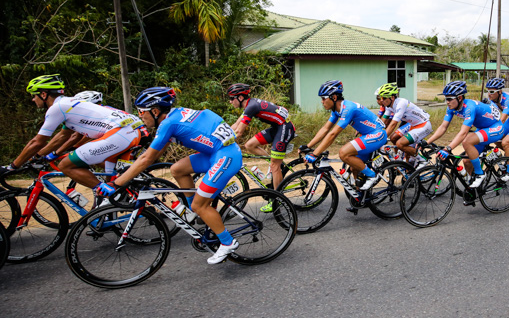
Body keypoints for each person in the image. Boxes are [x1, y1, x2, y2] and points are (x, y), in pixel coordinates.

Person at [97, 87, 244, 265]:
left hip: (226, 155)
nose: (140, 116)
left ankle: (227, 242)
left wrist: (116, 183)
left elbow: (147, 158)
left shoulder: (168, 124)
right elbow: (153, 154)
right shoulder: (172, 117)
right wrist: (131, 170)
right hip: (215, 152)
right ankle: (193, 210)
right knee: (177, 169)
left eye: (141, 112)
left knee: (201, 205)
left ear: (155, 111)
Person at [0, 75, 144, 196]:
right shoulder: (68, 103)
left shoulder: (57, 108)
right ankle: (115, 210)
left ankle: (108, 193)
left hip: (121, 133)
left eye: (34, 96)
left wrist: (12, 166)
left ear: (43, 94)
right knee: (112, 177)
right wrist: (38, 157)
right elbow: (62, 137)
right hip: (129, 130)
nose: (33, 100)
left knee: (66, 165)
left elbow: (37, 142)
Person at [425, 80, 507, 202]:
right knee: (467, 161)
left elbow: (463, 133)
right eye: (446, 99)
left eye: (450, 99)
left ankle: (480, 174)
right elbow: (443, 127)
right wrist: (427, 142)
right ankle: (473, 188)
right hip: (482, 128)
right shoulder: (451, 108)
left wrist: (448, 148)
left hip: (496, 127)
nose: (447, 102)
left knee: (467, 141)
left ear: (459, 97)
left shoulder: (469, 107)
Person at [301, 80, 387, 191]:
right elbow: (325, 129)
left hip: (378, 134)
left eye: (323, 98)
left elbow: (333, 133)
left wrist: (315, 154)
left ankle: (372, 175)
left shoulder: (348, 108)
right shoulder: (336, 110)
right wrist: (308, 146)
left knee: (343, 153)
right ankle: (359, 195)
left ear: (334, 97)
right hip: (368, 134)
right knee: (354, 166)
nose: (322, 102)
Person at [227, 83, 296, 192]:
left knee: (275, 166)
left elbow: (239, 132)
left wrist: (223, 143)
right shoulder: (249, 105)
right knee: (250, 145)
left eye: (231, 98)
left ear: (240, 98)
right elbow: (236, 125)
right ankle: (274, 164)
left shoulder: (251, 107)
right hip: (278, 127)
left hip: (285, 128)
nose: (230, 101)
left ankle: (277, 200)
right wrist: (223, 135)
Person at [375, 83, 432, 165]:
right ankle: (404, 162)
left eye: (383, 98)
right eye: (380, 98)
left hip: (424, 125)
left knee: (400, 144)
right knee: (394, 140)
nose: (381, 100)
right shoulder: (389, 106)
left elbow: (393, 124)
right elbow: (382, 121)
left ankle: (422, 159)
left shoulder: (401, 103)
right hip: (413, 125)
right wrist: (372, 132)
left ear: (392, 97)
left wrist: (381, 139)